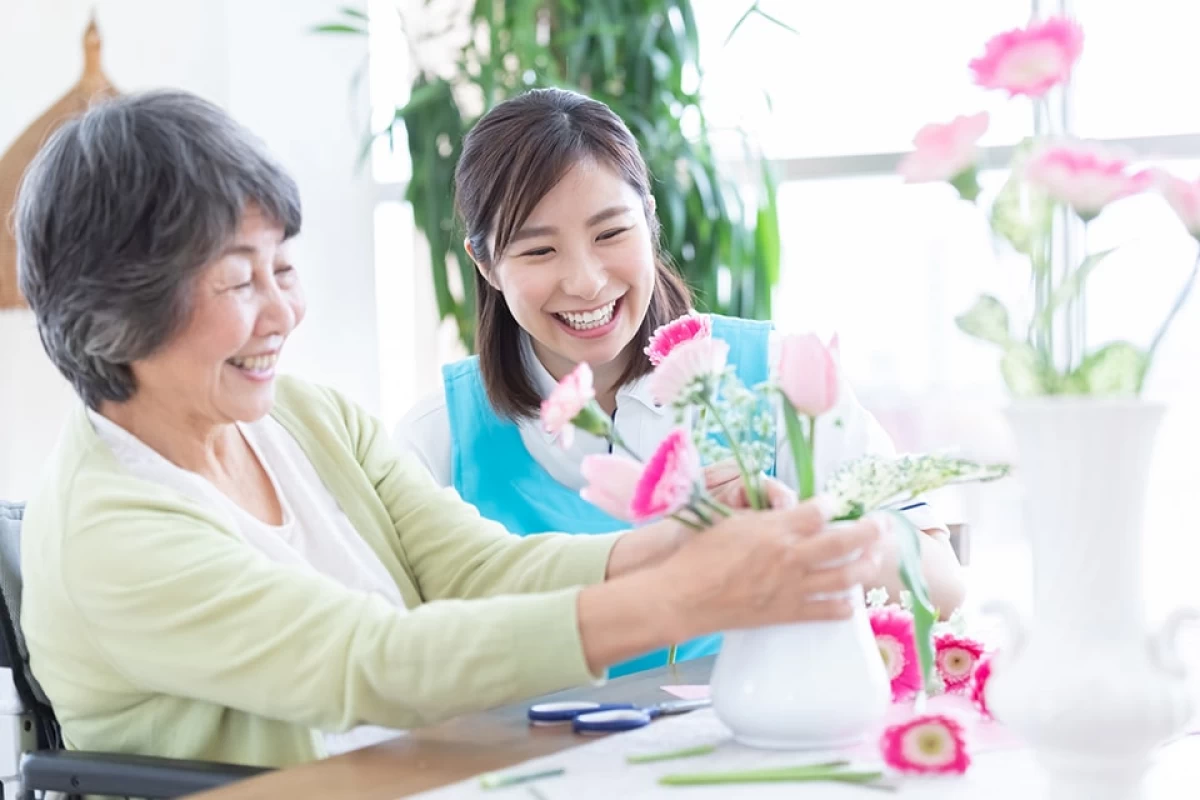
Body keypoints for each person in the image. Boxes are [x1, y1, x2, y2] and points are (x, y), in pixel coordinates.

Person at [14, 90, 886, 767]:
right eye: (241, 282)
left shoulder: (304, 417)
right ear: (118, 311)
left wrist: (676, 544)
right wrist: (692, 596)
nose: (283, 312)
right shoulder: (110, 526)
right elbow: (373, 664)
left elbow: (474, 567)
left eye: (284, 267)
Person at [396, 88, 966, 676]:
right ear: (485, 263)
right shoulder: (438, 435)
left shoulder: (771, 376)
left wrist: (789, 532)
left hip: (747, 746)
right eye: (539, 250)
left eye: (610, 234)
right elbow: (399, 651)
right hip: (526, 762)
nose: (587, 282)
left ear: (649, 219)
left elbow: (941, 585)